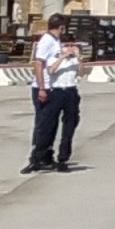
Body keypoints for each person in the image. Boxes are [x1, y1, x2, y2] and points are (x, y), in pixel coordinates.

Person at [26, 15, 82, 174]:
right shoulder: (47, 41)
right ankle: (36, 157)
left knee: (51, 125)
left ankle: (47, 156)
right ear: (61, 27)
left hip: (55, 87)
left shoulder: (55, 41)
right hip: (44, 86)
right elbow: (38, 63)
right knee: (43, 125)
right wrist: (42, 87)